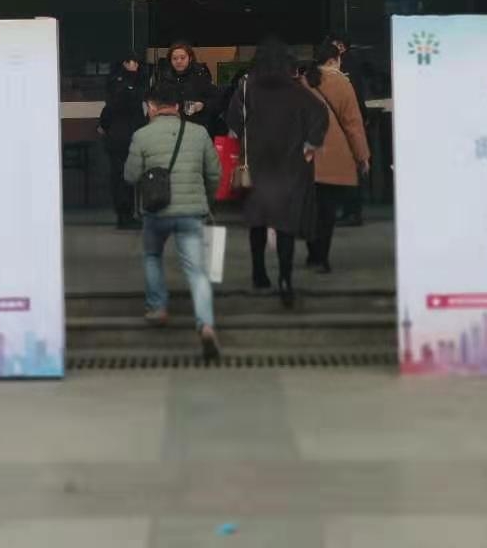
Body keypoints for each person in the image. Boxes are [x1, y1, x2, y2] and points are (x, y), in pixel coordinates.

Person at [124, 81, 223, 361]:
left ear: (151, 107)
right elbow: (214, 173)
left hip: (156, 212)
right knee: (197, 271)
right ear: (178, 107)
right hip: (191, 212)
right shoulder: (199, 133)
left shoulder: (142, 135)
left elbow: (130, 175)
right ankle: (205, 324)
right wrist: (207, 200)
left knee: (152, 255)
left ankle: (158, 306)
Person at [226, 38, 327, 308]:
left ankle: (259, 274)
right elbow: (320, 113)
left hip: (257, 165)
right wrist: (310, 144)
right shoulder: (296, 90)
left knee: (257, 221)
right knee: (285, 225)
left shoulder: (247, 87)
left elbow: (233, 119)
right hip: (289, 166)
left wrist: (246, 135)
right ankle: (285, 280)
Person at [304, 42, 371, 274]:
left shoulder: (303, 82)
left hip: (305, 156)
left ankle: (312, 253)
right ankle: (321, 258)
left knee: (310, 209)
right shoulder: (343, 83)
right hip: (334, 158)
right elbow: (353, 125)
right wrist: (362, 156)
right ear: (334, 60)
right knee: (327, 212)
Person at [98, 53, 148, 230]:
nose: (133, 65)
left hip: (120, 135)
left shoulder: (118, 83)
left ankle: (126, 213)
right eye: (130, 62)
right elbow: (124, 103)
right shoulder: (124, 84)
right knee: (123, 177)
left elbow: (109, 109)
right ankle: (125, 214)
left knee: (124, 176)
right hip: (123, 136)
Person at [329, 35, 371, 228]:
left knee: (351, 169)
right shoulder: (352, 63)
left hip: (347, 125)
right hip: (351, 123)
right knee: (351, 169)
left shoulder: (347, 65)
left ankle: (352, 212)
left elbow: (354, 98)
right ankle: (351, 211)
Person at [162, 41, 219, 131]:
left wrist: (202, 105)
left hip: (197, 126)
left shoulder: (200, 75)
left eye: (182, 58)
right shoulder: (165, 78)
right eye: (175, 58)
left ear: (190, 58)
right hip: (172, 127)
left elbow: (215, 100)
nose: (179, 61)